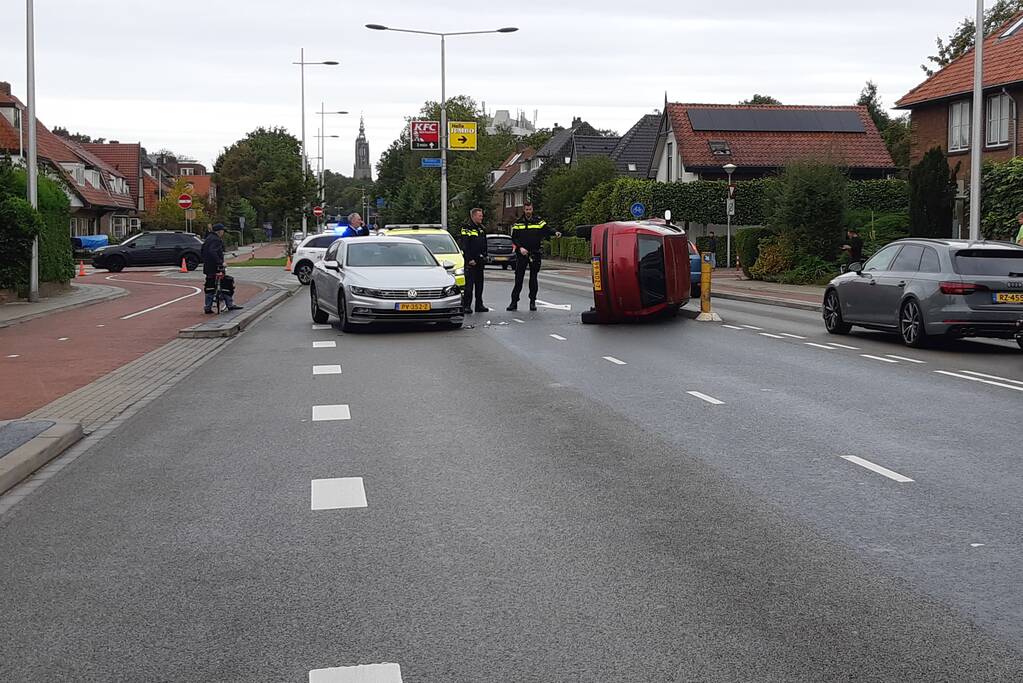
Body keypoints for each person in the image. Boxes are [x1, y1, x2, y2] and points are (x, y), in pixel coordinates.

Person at [507, 201, 559, 311]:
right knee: (518, 279)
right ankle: (514, 301)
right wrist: (520, 247)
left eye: (530, 209)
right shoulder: (518, 223)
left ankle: (532, 302)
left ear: (532, 209)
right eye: (526, 210)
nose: (528, 212)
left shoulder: (538, 221)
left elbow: (547, 229)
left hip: (535, 253)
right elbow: (514, 238)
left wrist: (555, 233)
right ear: (524, 210)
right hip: (522, 254)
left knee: (533, 278)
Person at [201, 224, 242, 314]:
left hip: (208, 266)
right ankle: (229, 304)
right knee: (226, 283)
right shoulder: (216, 240)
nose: (223, 233)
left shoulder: (208, 239)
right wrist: (220, 262)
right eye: (222, 231)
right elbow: (213, 251)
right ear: (219, 231)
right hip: (216, 266)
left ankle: (208, 307)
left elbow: (203, 251)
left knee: (209, 286)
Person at [458, 208, 489, 313]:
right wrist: (469, 259)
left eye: (481, 215)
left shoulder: (481, 229)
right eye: (479, 216)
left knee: (480, 285)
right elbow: (465, 245)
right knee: (469, 286)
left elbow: (484, 244)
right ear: (473, 216)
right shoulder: (467, 228)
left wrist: (485, 256)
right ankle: (467, 305)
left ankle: (479, 305)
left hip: (480, 261)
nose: (481, 217)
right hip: (471, 261)